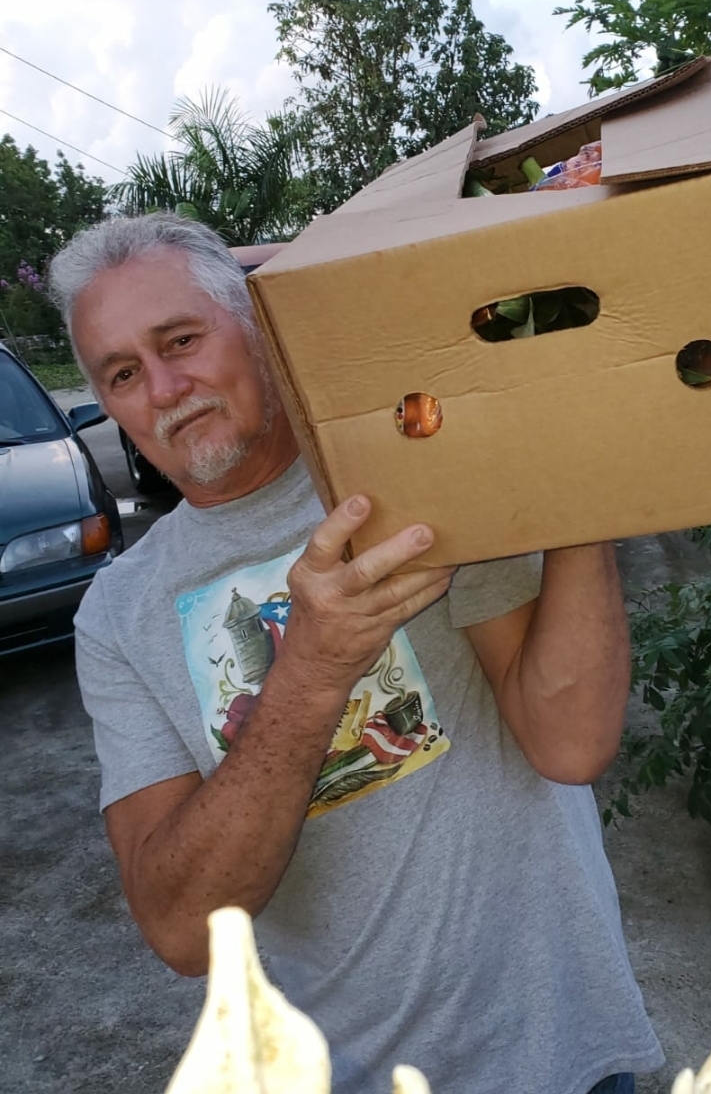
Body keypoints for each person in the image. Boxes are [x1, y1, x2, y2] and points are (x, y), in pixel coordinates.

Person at [50, 213, 663, 1094]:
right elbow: (184, 931)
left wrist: (574, 483)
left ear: (258, 327)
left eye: (180, 339)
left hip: (561, 1043)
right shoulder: (117, 614)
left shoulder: (413, 470)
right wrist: (310, 668)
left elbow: (570, 740)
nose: (165, 386)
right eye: (122, 372)